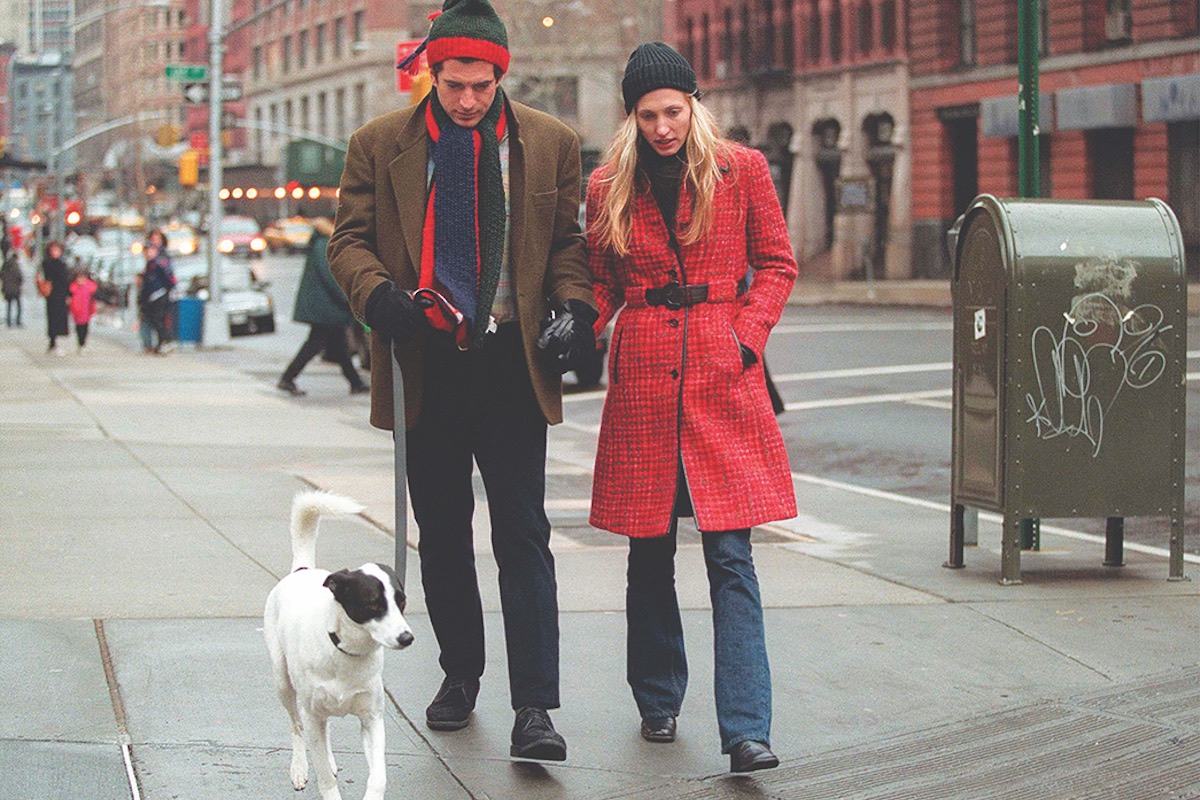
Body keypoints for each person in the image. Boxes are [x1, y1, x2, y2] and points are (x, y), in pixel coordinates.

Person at [328, 0, 595, 763]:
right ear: (431, 74)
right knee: (442, 536)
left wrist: (575, 307)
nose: (469, 100)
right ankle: (460, 675)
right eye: (454, 85)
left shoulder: (550, 142)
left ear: (500, 75)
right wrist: (377, 292)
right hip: (427, 366)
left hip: (514, 365)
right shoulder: (380, 144)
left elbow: (568, 246)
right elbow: (347, 241)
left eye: (481, 85)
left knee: (524, 537)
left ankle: (537, 705)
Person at [585, 42, 798, 773]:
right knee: (648, 554)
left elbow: (776, 264)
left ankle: (746, 729)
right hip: (644, 376)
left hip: (719, 373)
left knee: (731, 557)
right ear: (631, 116)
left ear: (694, 104)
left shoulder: (742, 171)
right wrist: (576, 324)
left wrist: (745, 340)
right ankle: (658, 700)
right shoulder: (609, 183)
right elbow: (602, 281)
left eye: (674, 111)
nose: (663, 127)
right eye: (648, 115)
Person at [277, 218, 369, 396]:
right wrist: (347, 298)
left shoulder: (320, 243)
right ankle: (288, 378)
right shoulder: (324, 245)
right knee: (315, 343)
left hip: (323, 304)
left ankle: (355, 382)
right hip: (325, 306)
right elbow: (332, 277)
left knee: (338, 345)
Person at [138, 230, 176, 354]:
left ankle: (166, 341)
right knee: (152, 320)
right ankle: (156, 344)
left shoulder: (160, 262)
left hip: (159, 294)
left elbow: (168, 278)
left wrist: (168, 289)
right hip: (151, 296)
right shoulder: (150, 264)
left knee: (159, 320)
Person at [40, 241, 71, 355]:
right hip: (53, 295)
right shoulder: (48, 263)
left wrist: (68, 295)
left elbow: (66, 280)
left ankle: (54, 342)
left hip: (61, 294)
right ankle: (52, 343)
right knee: (53, 318)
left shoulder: (62, 263)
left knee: (59, 318)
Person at [68, 268, 99, 352]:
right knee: (78, 327)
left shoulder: (90, 287)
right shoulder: (73, 287)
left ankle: (83, 343)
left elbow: (94, 298)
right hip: (76, 311)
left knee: (85, 327)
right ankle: (80, 343)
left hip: (86, 310)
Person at [2, 247, 22, 328]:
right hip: (15, 288)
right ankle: (17, 321)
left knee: (9, 306)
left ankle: (9, 322)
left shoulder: (5, 265)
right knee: (18, 305)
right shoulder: (16, 266)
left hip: (7, 289)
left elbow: (1, 275)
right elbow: (19, 277)